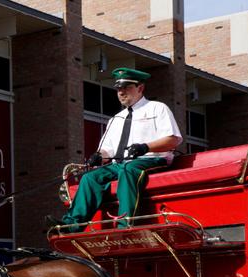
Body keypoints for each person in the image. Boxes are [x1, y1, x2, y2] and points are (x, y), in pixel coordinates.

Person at [55, 67, 182, 231]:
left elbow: (173, 140)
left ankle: (125, 225)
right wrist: (99, 156)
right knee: (90, 177)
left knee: (128, 169)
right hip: (120, 165)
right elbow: (107, 151)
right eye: (118, 88)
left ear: (140, 88)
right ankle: (71, 225)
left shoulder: (158, 108)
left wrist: (145, 147)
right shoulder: (115, 119)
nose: (121, 92)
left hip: (151, 160)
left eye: (126, 87)